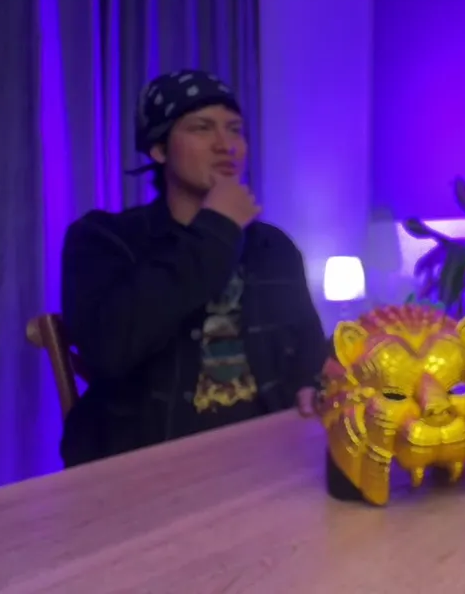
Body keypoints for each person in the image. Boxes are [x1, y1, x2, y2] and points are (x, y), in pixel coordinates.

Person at [58, 70, 327, 467]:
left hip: (266, 453)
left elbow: (307, 346)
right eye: (201, 128)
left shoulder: (273, 247)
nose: (225, 145)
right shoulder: (104, 238)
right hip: (145, 464)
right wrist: (216, 229)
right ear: (158, 149)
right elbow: (109, 350)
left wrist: (312, 381)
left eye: (234, 130)